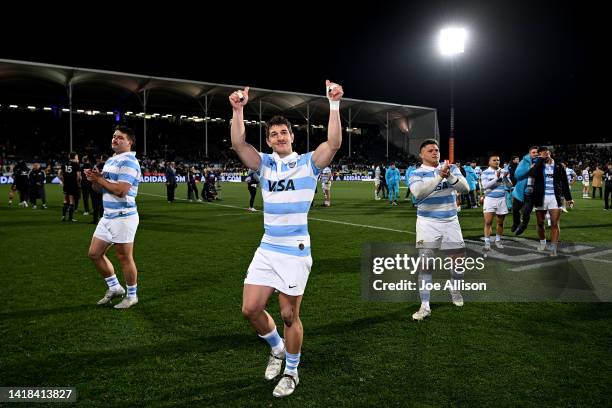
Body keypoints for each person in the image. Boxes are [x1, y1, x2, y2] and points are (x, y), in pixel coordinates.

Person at [230, 80, 343, 398]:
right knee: (250, 309)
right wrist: (237, 110)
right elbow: (239, 145)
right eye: (274, 134)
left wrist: (334, 104)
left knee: (289, 315)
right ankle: (277, 348)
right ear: (268, 140)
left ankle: (292, 371)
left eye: (284, 133)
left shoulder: (308, 163)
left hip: (295, 249)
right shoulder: (264, 164)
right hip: (267, 246)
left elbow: (332, 143)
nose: (279, 137)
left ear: (292, 137)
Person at [408, 139, 470, 321]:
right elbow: (418, 193)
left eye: (436, 150)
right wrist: (440, 176)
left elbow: (466, 189)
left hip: (451, 221)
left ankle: (454, 288)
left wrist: (449, 176)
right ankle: (425, 306)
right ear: (421, 154)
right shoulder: (416, 173)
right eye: (430, 151)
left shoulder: (451, 168)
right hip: (427, 223)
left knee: (458, 263)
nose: (435, 153)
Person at [85, 125, 142, 309]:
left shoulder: (130, 162)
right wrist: (95, 180)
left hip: (123, 216)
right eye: (113, 136)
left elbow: (121, 191)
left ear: (129, 142)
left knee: (124, 257)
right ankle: (115, 288)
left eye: (120, 137)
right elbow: (100, 189)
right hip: (108, 216)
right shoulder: (111, 160)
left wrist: (100, 179)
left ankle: (132, 295)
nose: (114, 139)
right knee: (94, 253)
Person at [530, 147, 573, 256]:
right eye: (541, 153)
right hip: (540, 198)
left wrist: (569, 198)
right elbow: (533, 174)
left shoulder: (559, 166)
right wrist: (539, 160)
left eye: (546, 152)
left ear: (550, 153)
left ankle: (553, 248)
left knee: (555, 223)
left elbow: (564, 183)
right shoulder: (538, 165)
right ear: (539, 155)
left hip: (554, 198)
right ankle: (543, 242)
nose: (544, 154)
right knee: (540, 223)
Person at [481, 155, 513, 250]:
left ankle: (498, 240)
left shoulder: (504, 171)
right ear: (489, 162)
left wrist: (506, 178)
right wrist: (497, 178)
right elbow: (485, 186)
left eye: (498, 160)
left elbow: (510, 186)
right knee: (488, 222)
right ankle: (487, 243)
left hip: (501, 199)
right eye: (494, 160)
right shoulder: (485, 172)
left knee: (500, 223)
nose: (496, 162)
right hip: (490, 199)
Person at [512, 146, 539, 234]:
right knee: (515, 209)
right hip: (520, 191)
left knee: (526, 213)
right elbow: (517, 175)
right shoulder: (523, 162)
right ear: (529, 153)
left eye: (537, 152)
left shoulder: (541, 162)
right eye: (533, 152)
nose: (535, 154)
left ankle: (523, 226)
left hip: (532, 193)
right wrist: (529, 169)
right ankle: (516, 223)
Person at [58, 152, 81, 222]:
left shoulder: (64, 164)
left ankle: (63, 216)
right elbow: (78, 176)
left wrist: (63, 181)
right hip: (73, 184)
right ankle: (70, 218)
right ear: (74, 157)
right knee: (71, 201)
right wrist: (78, 183)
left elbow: (59, 174)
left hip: (66, 184)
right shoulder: (76, 164)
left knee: (65, 199)